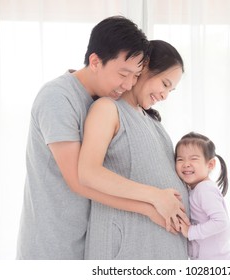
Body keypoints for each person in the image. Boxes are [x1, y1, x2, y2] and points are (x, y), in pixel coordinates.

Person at [16, 16, 180, 260]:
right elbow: (79, 180)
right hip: (50, 247)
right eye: (123, 73)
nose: (128, 84)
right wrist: (152, 204)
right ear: (95, 61)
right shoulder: (58, 97)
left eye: (135, 75)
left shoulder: (103, 101)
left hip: (82, 243)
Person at [78, 40, 189, 259]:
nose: (165, 95)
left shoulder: (153, 122)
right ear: (144, 67)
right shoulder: (107, 109)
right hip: (125, 249)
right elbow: (88, 172)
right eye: (165, 84)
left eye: (171, 91)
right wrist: (156, 197)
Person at [175, 132, 230, 260]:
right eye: (180, 159)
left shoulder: (205, 189)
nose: (186, 164)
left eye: (193, 159)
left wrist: (191, 231)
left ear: (210, 165)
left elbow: (221, 222)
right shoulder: (195, 189)